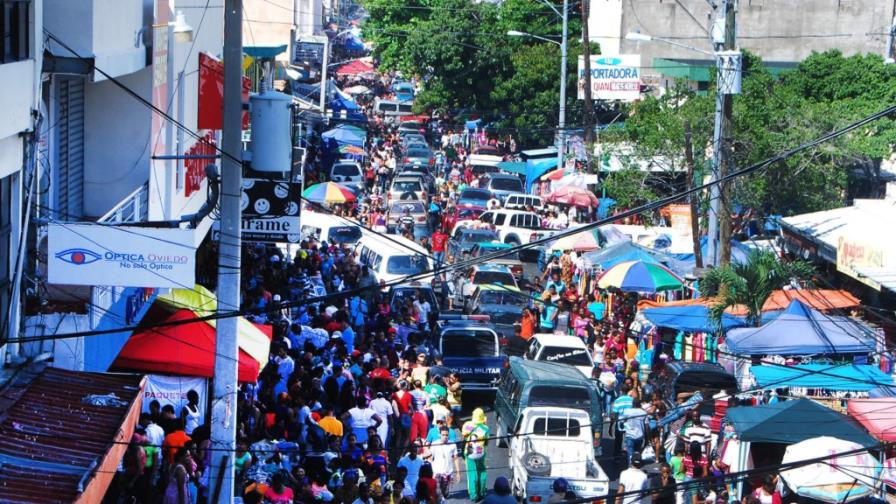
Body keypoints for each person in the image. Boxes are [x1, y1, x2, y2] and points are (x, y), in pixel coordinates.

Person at [462, 408, 490, 501]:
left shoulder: (467, 425)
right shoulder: (485, 428)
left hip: (470, 452)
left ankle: (474, 495)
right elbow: (486, 442)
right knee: (482, 472)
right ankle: (482, 492)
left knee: (471, 473)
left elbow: (464, 437)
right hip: (480, 452)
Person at [426, 426, 461, 500]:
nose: (445, 437)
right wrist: (430, 472)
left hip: (448, 472)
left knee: (445, 493)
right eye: (443, 435)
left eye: (446, 435)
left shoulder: (452, 445)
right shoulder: (434, 444)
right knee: (438, 493)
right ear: (440, 435)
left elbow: (456, 458)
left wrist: (458, 472)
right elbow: (430, 458)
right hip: (437, 472)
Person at [621, 398, 648, 466]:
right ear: (640, 404)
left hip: (630, 435)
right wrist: (647, 437)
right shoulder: (644, 413)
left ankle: (630, 467)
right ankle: (636, 467)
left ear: (633, 404)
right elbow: (647, 426)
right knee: (637, 454)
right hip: (640, 436)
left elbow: (621, 421)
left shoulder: (627, 412)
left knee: (630, 453)